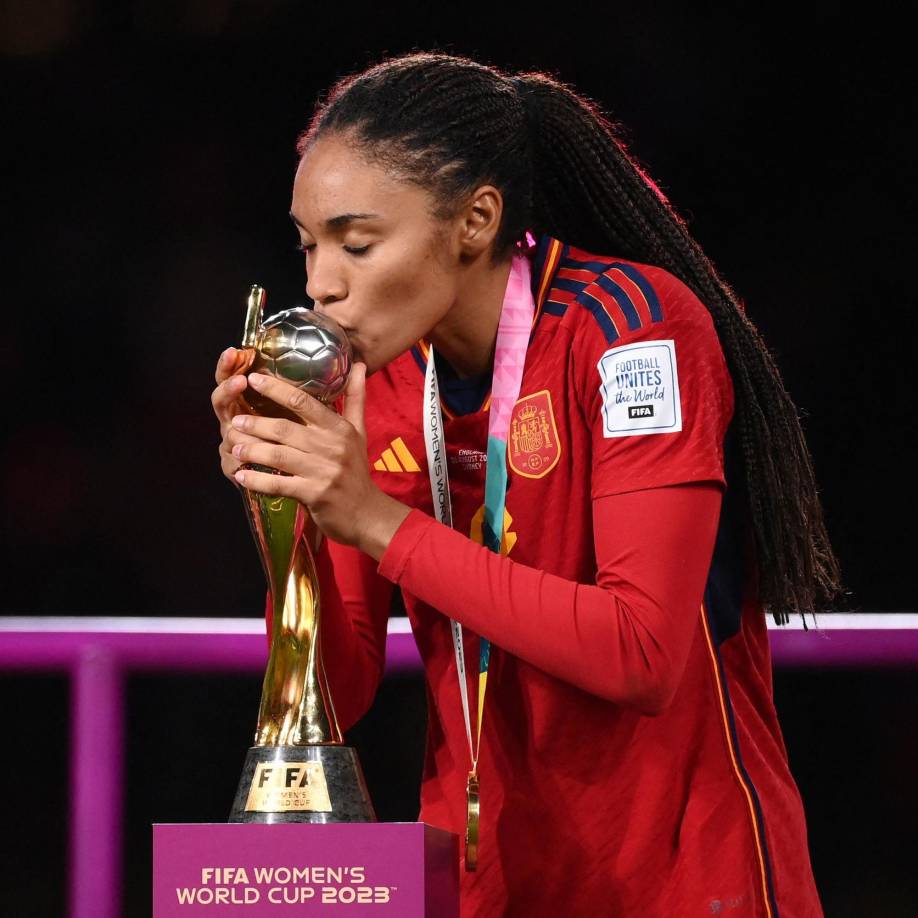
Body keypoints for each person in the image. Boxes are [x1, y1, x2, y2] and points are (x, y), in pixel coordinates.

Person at [211, 52, 844, 917]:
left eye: (357, 243)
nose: (322, 283)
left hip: (685, 881)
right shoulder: (382, 382)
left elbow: (642, 652)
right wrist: (285, 505)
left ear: (475, 220)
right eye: (310, 244)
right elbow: (341, 697)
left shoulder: (633, 333)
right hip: (484, 885)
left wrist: (372, 520)